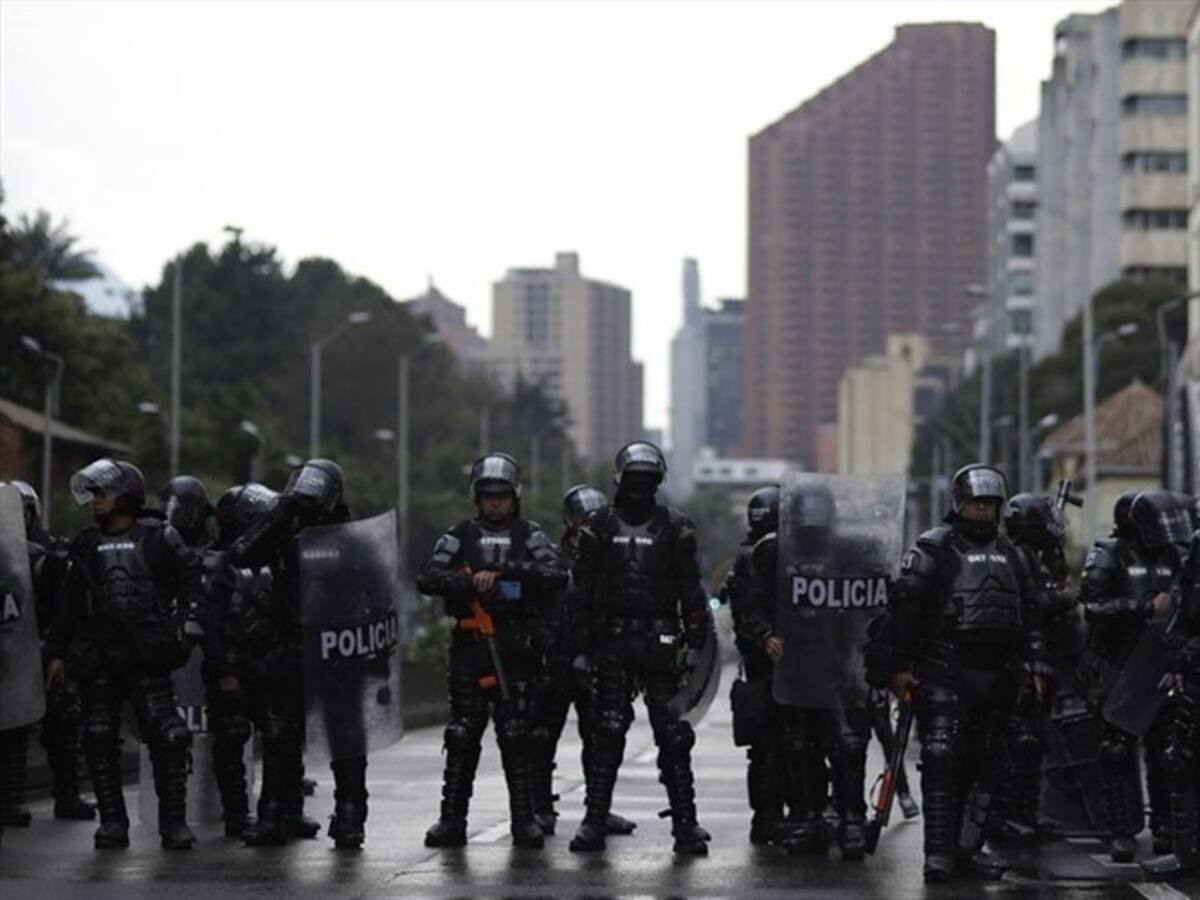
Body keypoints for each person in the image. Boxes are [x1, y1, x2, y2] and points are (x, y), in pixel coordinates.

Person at [871, 464, 1048, 882]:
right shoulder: (934, 549)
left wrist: (1037, 665)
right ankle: (938, 854)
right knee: (942, 757)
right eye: (976, 501)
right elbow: (903, 613)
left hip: (1000, 672)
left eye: (990, 503)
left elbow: (1032, 614)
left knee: (990, 763)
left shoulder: (1014, 555)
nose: (983, 509)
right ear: (960, 503)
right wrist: (895, 668)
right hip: (944, 667)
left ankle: (969, 848)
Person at [46, 459, 202, 850]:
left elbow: (192, 581)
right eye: (94, 493)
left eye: (103, 492)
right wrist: (56, 654)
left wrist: (187, 625)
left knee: (168, 737)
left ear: (127, 493)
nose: (96, 500)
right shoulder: (85, 544)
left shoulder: (160, 538)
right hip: (98, 655)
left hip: (146, 653)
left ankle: (173, 824)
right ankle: (112, 823)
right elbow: (68, 606)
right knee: (98, 737)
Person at [568, 441, 711, 856]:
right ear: (620, 479)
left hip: (661, 640)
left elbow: (692, 593)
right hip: (612, 639)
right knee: (607, 731)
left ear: (658, 481)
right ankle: (595, 820)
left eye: (647, 480)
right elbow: (581, 591)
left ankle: (685, 824)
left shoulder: (676, 528)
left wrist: (697, 646)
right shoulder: (598, 527)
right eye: (634, 478)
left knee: (673, 734)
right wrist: (580, 647)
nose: (639, 486)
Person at [418, 452, 566, 849]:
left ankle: (525, 820)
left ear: (514, 496)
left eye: (502, 495)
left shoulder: (530, 535)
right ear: (477, 497)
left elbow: (555, 575)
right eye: (488, 496)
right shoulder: (460, 534)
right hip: (470, 648)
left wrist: (507, 575)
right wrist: (470, 584)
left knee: (517, 737)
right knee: (462, 735)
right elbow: (428, 578)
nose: (495, 503)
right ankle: (451, 821)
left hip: (517, 649)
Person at [747, 478, 884, 861]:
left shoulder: (852, 552)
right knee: (797, 745)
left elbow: (878, 601)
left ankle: (851, 818)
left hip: (841, 663)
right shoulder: (773, 553)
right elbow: (751, 604)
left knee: (848, 745)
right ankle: (807, 817)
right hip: (795, 665)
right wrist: (764, 635)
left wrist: (874, 647)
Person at [227, 459, 360, 848]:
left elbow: (374, 590)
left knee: (346, 736)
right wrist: (285, 509)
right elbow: (241, 554)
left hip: (338, 644)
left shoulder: (350, 535)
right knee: (278, 732)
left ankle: (351, 817)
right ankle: (272, 816)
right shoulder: (285, 530)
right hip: (289, 642)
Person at [1081, 488, 1185, 862]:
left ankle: (1166, 829)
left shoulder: (1176, 556)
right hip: (1117, 665)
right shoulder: (1109, 552)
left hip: (1159, 664)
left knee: (1165, 751)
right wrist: (1141, 608)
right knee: (1116, 750)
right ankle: (1121, 831)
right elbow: (1092, 605)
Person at [529, 484, 636, 838]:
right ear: (569, 523)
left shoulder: (615, 564)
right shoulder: (549, 562)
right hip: (553, 661)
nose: (588, 526)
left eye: (595, 520)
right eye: (582, 520)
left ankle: (598, 809)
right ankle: (540, 808)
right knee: (541, 736)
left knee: (602, 739)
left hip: (596, 662)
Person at [0, 481, 94, 828]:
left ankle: (67, 794)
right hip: (5, 654)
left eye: (20, 511)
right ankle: (9, 799)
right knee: (10, 722)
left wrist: (57, 650)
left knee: (64, 712)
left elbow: (65, 607)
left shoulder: (46, 551)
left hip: (38, 647)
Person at [994, 492, 1079, 841]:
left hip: (1047, 657)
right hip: (1023, 662)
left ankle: (1028, 812)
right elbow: (1031, 604)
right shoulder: (1015, 557)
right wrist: (1066, 597)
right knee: (1020, 742)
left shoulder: (1040, 557)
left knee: (1036, 742)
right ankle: (1006, 815)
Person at [722, 484, 795, 846]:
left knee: (801, 741)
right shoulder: (752, 560)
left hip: (805, 664)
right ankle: (767, 817)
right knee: (769, 745)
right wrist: (766, 636)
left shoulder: (800, 555)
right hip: (765, 665)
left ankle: (805, 811)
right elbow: (745, 612)